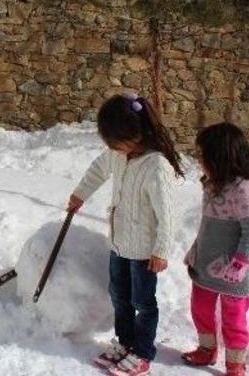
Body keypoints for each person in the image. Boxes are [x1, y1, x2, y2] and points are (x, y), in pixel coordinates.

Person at [67, 93, 183, 376]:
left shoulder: (156, 166)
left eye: (114, 142)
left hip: (145, 252)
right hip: (119, 244)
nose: (111, 148)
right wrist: (80, 195)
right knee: (119, 297)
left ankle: (143, 352)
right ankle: (126, 342)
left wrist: (162, 249)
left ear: (134, 134)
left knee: (143, 303)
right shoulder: (118, 155)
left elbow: (168, 214)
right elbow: (98, 170)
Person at [181, 122, 249, 376]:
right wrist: (195, 250)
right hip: (206, 264)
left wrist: (241, 262)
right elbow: (207, 226)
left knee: (234, 320)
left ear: (220, 156)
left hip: (233, 271)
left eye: (203, 155)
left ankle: (235, 364)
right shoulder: (212, 184)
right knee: (200, 309)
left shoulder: (243, 189)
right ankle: (207, 349)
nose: (199, 160)